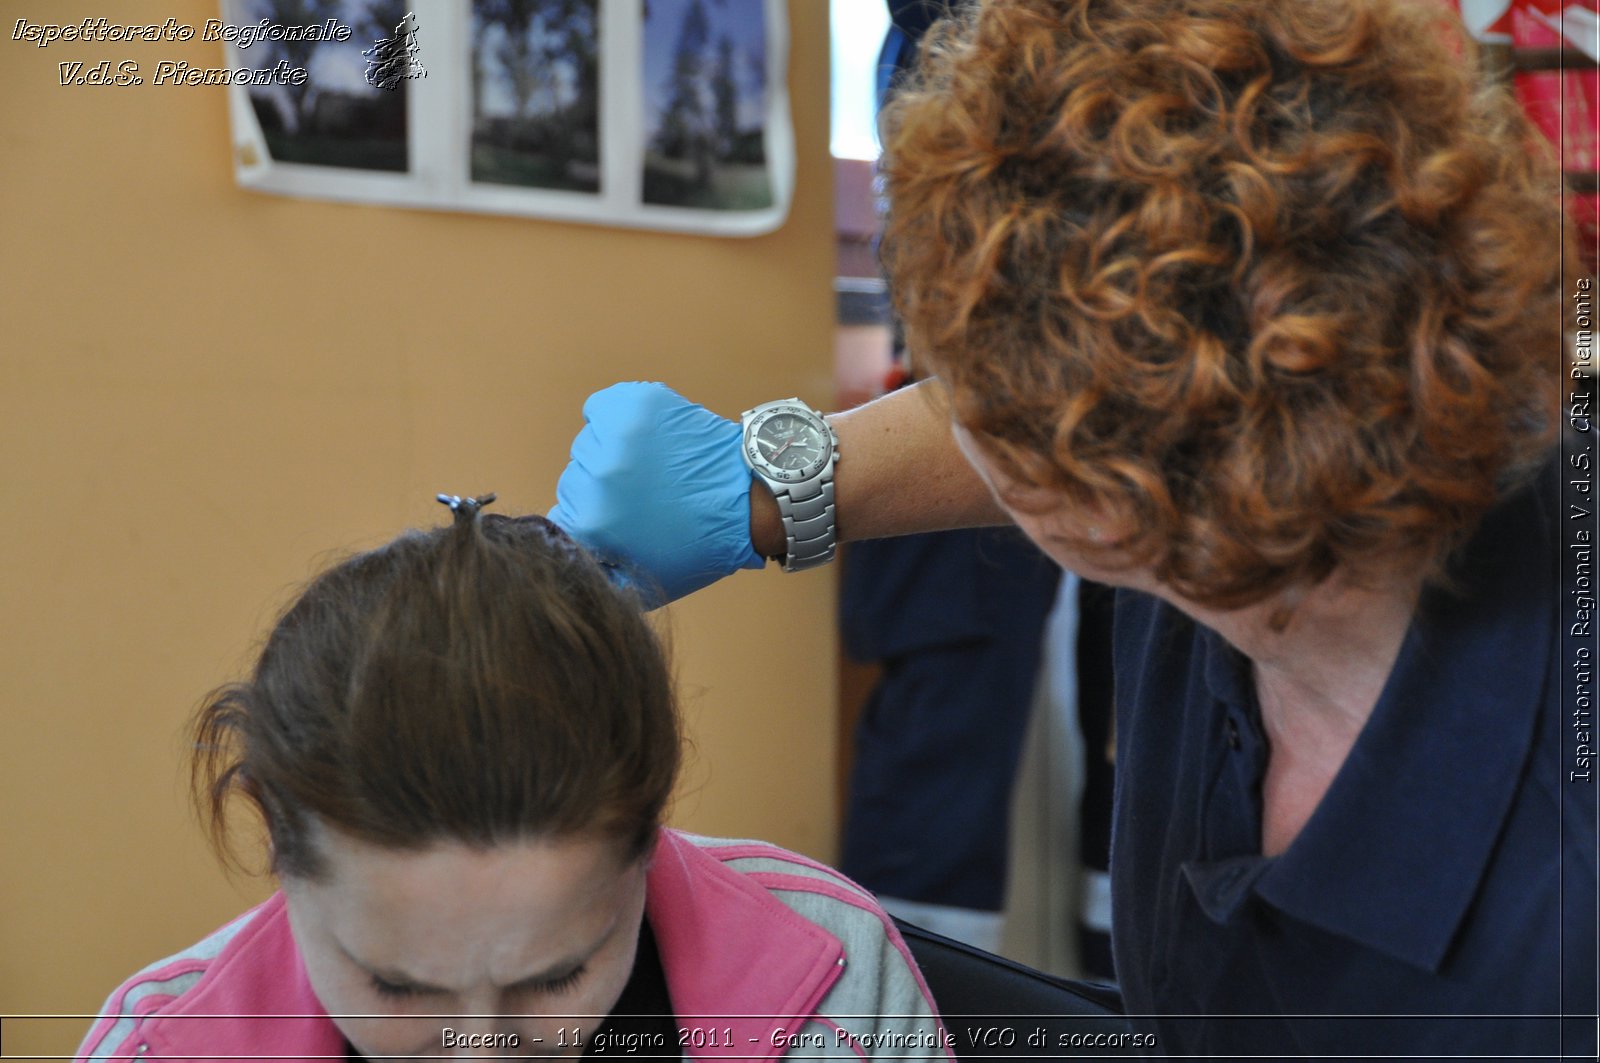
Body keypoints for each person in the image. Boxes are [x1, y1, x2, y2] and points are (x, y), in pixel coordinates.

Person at [548, 0, 1597, 1057]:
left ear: (1087, 504)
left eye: (979, 398)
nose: (965, 423)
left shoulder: (1549, 926)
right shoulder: (1230, 511)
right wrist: (770, 483)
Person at [76, 495, 950, 1061]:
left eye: (558, 974)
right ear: (275, 841)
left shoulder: (834, 984)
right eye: (399, 985)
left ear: (647, 836)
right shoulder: (154, 1046)